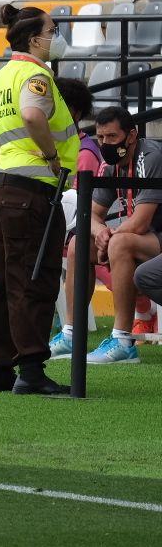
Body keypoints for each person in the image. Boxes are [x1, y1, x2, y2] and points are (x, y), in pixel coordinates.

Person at [0, 6, 78, 393]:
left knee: (6, 276)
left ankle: (0, 369)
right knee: (34, 278)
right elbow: (32, 116)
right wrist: (48, 155)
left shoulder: (2, 76)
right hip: (32, 189)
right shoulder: (34, 75)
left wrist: (1, 154)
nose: (56, 36)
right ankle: (30, 371)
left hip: (3, 186)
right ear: (34, 39)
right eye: (52, 29)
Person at [55, 106, 162, 365]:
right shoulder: (110, 164)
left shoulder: (151, 157)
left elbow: (140, 222)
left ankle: (124, 341)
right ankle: (71, 333)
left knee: (121, 242)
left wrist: (110, 236)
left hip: (155, 235)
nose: (105, 144)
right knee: (79, 244)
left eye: (112, 137)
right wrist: (101, 233)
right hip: (145, 239)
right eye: (100, 138)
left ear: (132, 135)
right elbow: (89, 213)